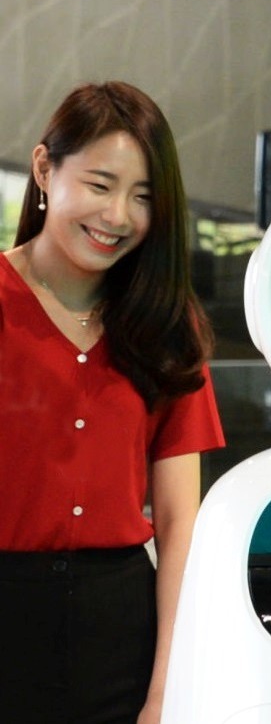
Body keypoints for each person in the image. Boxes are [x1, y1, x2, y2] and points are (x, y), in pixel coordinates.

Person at [0, 81, 225, 723]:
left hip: (121, 635)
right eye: (100, 185)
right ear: (46, 169)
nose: (118, 216)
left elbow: (181, 523)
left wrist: (166, 690)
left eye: (143, 197)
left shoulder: (165, 324)